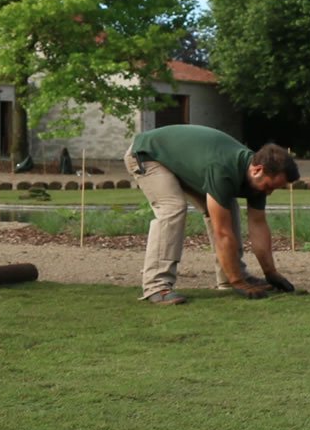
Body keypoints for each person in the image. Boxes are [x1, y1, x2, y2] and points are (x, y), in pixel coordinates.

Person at [124, 124, 300, 305]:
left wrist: (270, 272)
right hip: (148, 154)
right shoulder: (223, 171)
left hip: (184, 160)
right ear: (257, 170)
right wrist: (238, 282)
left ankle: (230, 276)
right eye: (270, 187)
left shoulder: (255, 178)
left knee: (227, 209)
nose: (269, 192)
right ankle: (156, 285)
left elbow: (258, 226)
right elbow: (221, 232)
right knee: (173, 208)